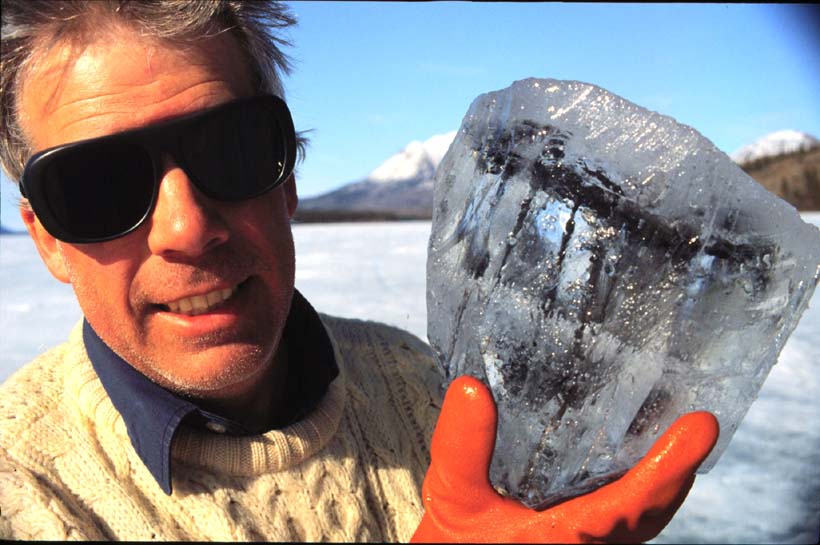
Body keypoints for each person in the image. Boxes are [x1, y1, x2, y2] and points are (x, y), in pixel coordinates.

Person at [0, 1, 719, 541]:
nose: (187, 228)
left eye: (232, 148)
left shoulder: (424, 386)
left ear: (288, 180)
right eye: (97, 187)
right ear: (48, 241)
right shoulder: (24, 493)